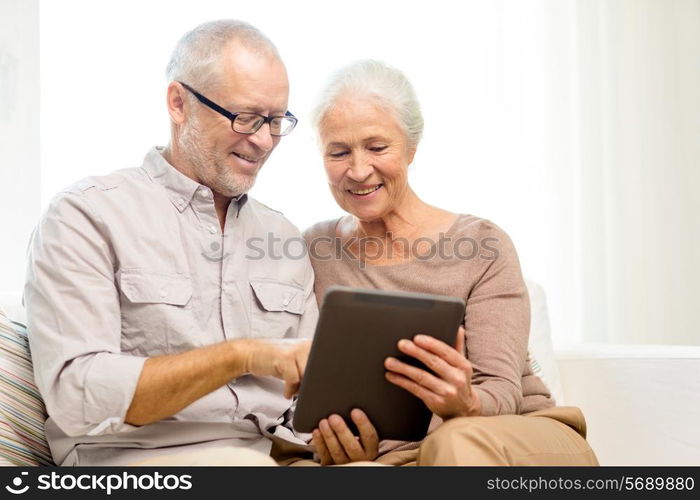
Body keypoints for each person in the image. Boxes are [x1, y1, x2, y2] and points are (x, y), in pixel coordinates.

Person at [24, 20, 318, 466]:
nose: (263, 141)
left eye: (277, 121)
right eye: (246, 117)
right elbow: (75, 394)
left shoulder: (284, 239)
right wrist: (240, 354)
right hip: (132, 461)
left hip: (270, 458)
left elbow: (308, 402)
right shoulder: (85, 215)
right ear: (179, 103)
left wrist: (341, 435)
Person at [302, 60, 599, 466]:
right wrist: (344, 447)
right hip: (402, 459)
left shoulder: (482, 245)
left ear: (411, 148)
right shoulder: (312, 250)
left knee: (456, 441)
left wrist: (465, 401)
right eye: (338, 152)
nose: (358, 170)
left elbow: (501, 392)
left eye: (376, 147)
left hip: (514, 438)